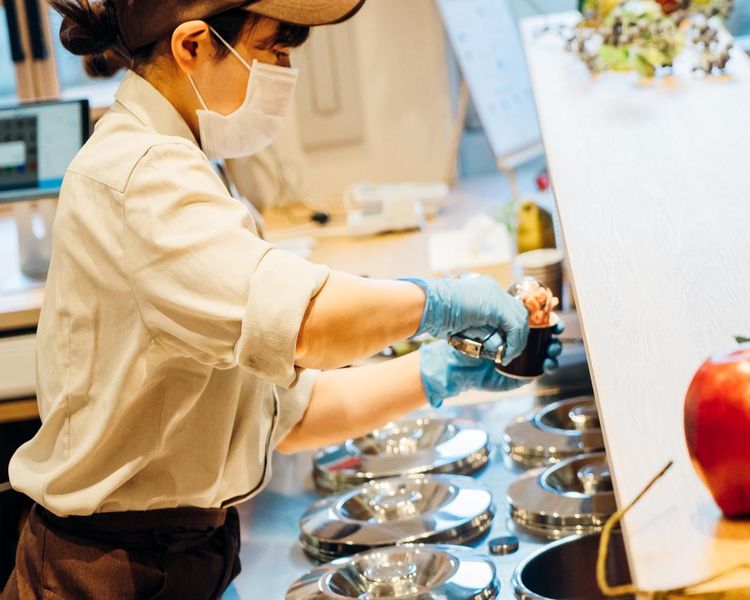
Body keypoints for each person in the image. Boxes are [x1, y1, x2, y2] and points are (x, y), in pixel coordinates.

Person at [1, 1, 562, 598]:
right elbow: (309, 327)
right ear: (193, 46)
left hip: (180, 555)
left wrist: (438, 371)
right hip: (107, 572)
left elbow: (285, 415)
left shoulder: (181, 162)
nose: (286, 74)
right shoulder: (140, 176)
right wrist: (443, 302)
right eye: (273, 51)